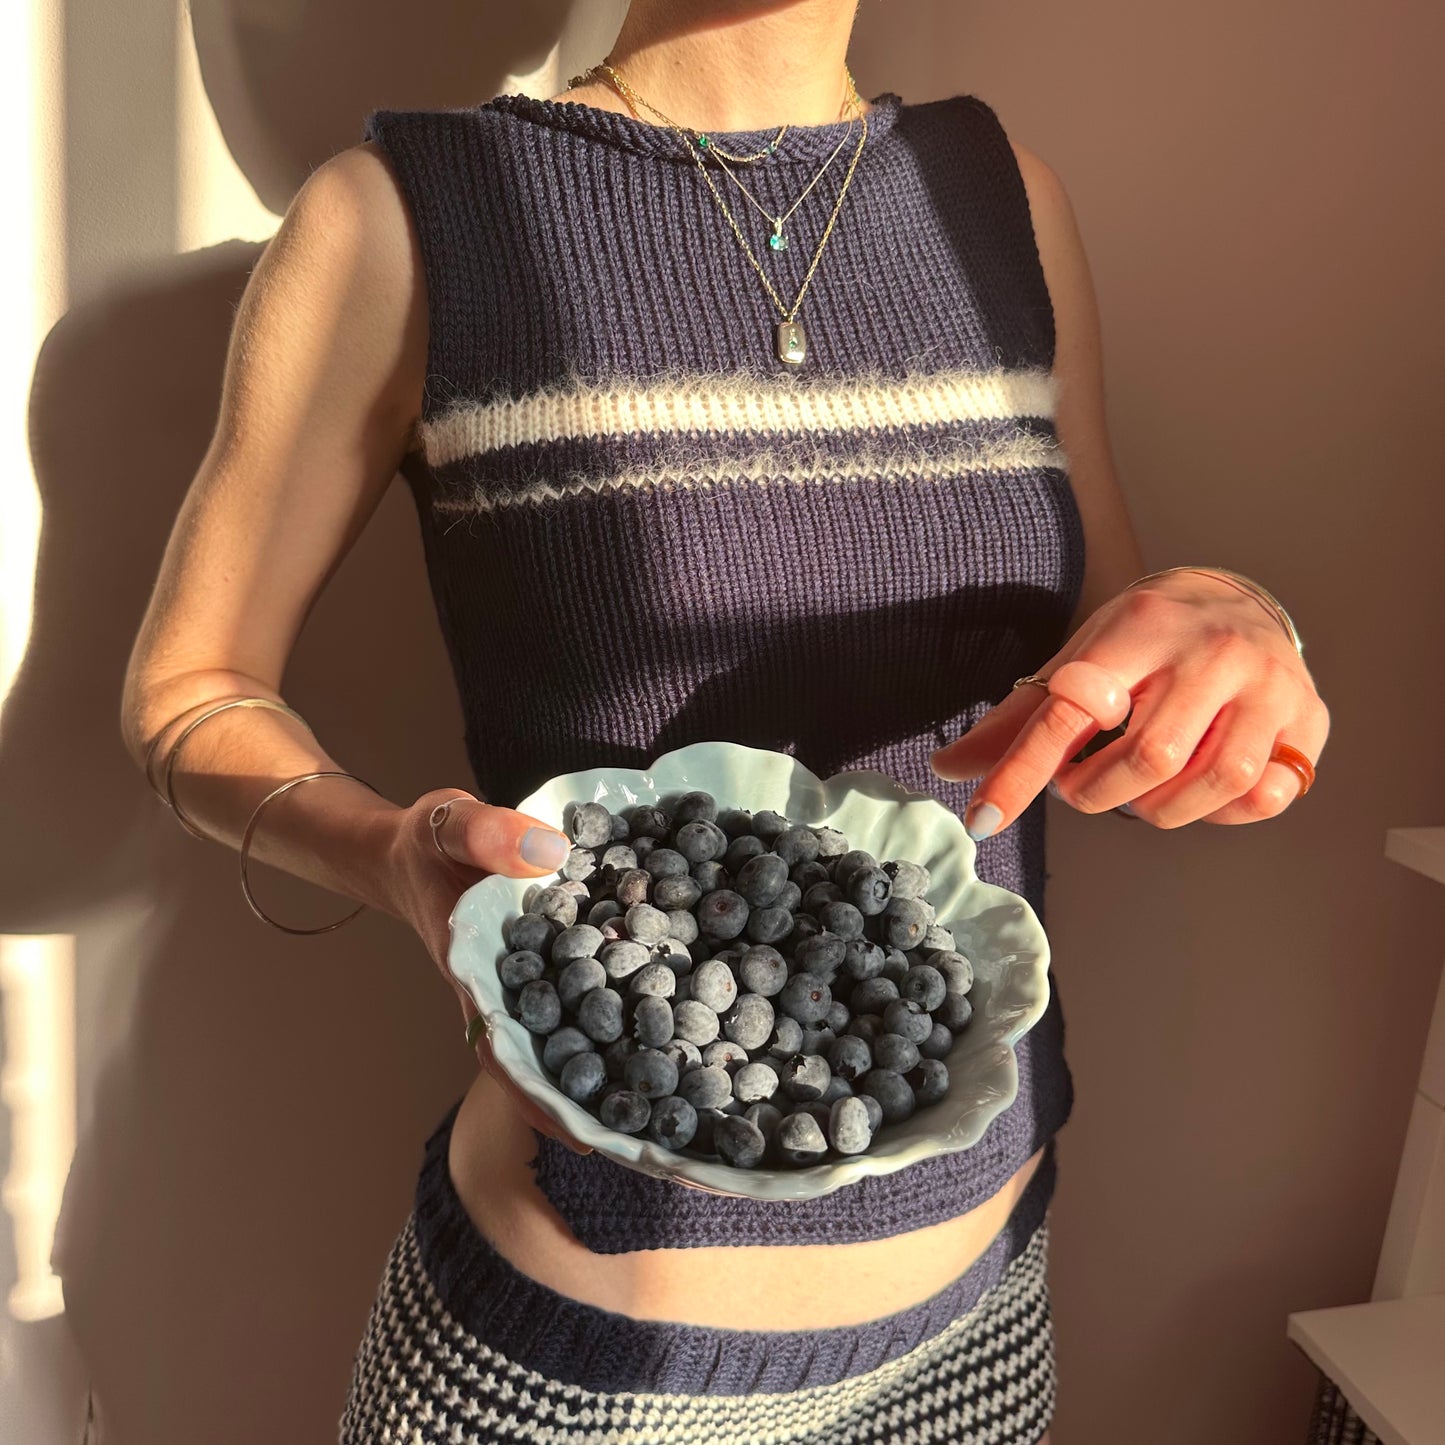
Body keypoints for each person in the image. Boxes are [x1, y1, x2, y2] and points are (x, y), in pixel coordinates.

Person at [120, 1, 1330, 1440]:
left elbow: (1104, 647)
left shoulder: (1001, 194)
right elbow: (187, 693)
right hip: (569, 1363)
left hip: (976, 1325)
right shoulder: (406, 212)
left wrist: (1236, 625)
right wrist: (391, 853)